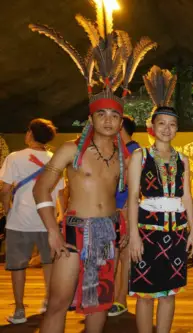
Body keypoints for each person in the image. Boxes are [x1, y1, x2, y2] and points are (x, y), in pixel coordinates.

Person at [30, 4, 156, 332]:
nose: (109, 120)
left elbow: (132, 196)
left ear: (120, 122)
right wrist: (54, 233)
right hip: (74, 230)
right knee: (57, 302)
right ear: (92, 118)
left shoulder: (124, 157)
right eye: (102, 115)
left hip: (108, 232)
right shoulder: (71, 150)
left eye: (115, 116)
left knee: (99, 302)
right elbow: (40, 188)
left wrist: (127, 232)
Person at [128, 66, 193, 333]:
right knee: (145, 293)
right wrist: (133, 235)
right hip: (147, 232)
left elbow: (186, 196)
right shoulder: (140, 157)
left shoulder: (183, 160)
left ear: (176, 129)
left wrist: (191, 231)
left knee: (169, 292)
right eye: (162, 124)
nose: (167, 129)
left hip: (177, 232)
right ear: (152, 127)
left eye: (172, 125)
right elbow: (134, 197)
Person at [0, 118, 63, 324]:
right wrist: (60, 215)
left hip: (19, 220)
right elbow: (61, 192)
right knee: (49, 264)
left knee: (18, 267)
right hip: (47, 221)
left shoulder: (15, 157)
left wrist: (8, 210)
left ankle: (19, 310)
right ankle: (47, 302)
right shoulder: (55, 158)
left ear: (30, 134)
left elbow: (5, 189)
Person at [108, 115, 141, 317]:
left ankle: (120, 300)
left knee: (124, 256)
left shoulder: (134, 151)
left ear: (121, 128)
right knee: (114, 256)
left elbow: (135, 187)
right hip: (111, 211)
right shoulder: (117, 150)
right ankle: (110, 298)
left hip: (125, 211)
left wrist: (128, 211)